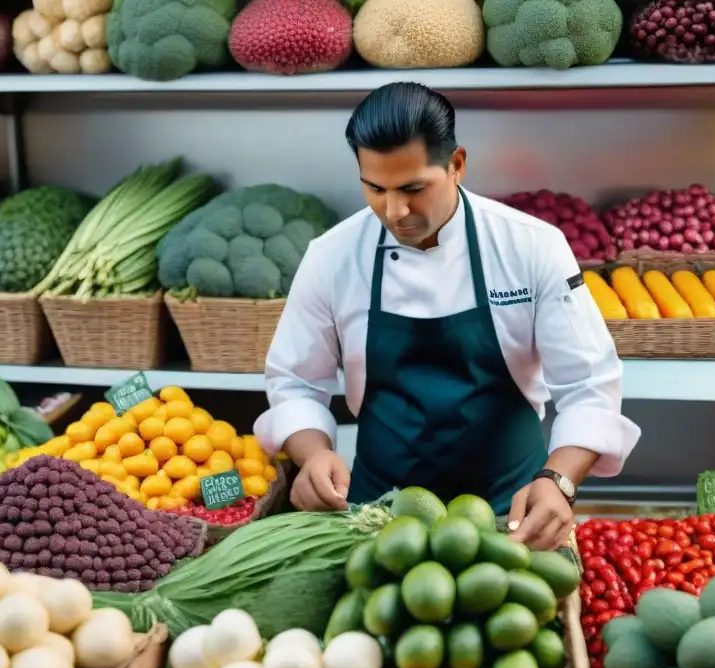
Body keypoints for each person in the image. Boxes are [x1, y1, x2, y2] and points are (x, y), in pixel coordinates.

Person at [254, 81, 640, 551]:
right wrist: (313, 455)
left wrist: (559, 481)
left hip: (512, 508)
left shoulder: (531, 246)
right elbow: (295, 382)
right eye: (374, 188)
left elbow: (589, 386)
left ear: (456, 164)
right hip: (376, 514)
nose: (394, 211)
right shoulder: (331, 255)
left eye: (413, 188)